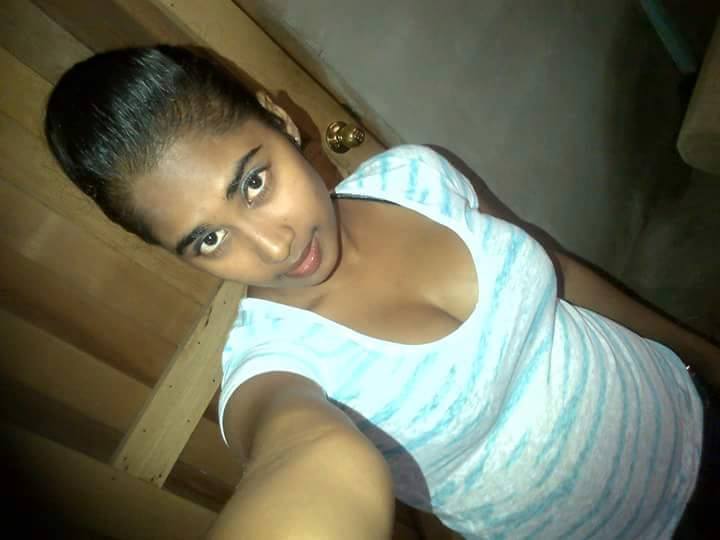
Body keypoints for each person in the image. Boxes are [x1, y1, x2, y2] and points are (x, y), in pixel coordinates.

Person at [44, 45, 718, 539]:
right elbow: (307, 463)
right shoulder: (273, 371)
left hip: (686, 401)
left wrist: (700, 354)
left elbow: (559, 271)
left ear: (279, 119)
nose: (274, 248)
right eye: (209, 240)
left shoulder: (416, 176)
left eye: (253, 183)